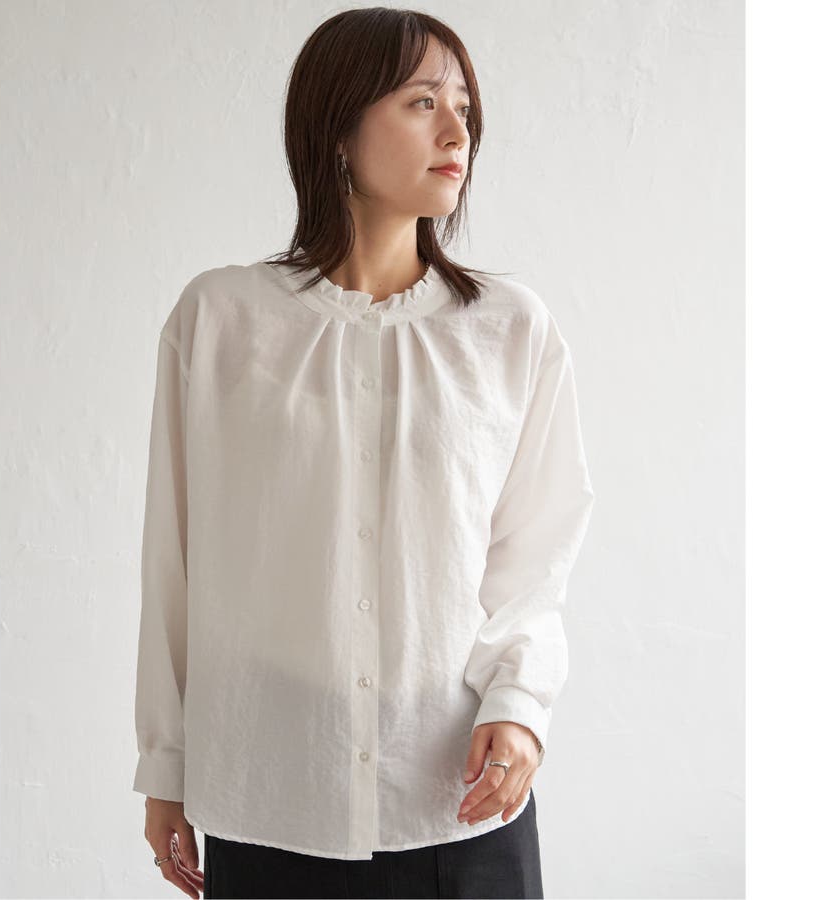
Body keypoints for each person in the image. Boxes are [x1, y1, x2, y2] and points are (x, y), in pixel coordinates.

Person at [133, 7, 595, 899]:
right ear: (338, 127)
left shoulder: (511, 331)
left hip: (458, 801)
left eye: (464, 107)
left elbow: (535, 554)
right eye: (423, 102)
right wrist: (166, 762)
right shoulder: (220, 321)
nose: (457, 131)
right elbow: (173, 559)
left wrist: (521, 705)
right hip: (273, 797)